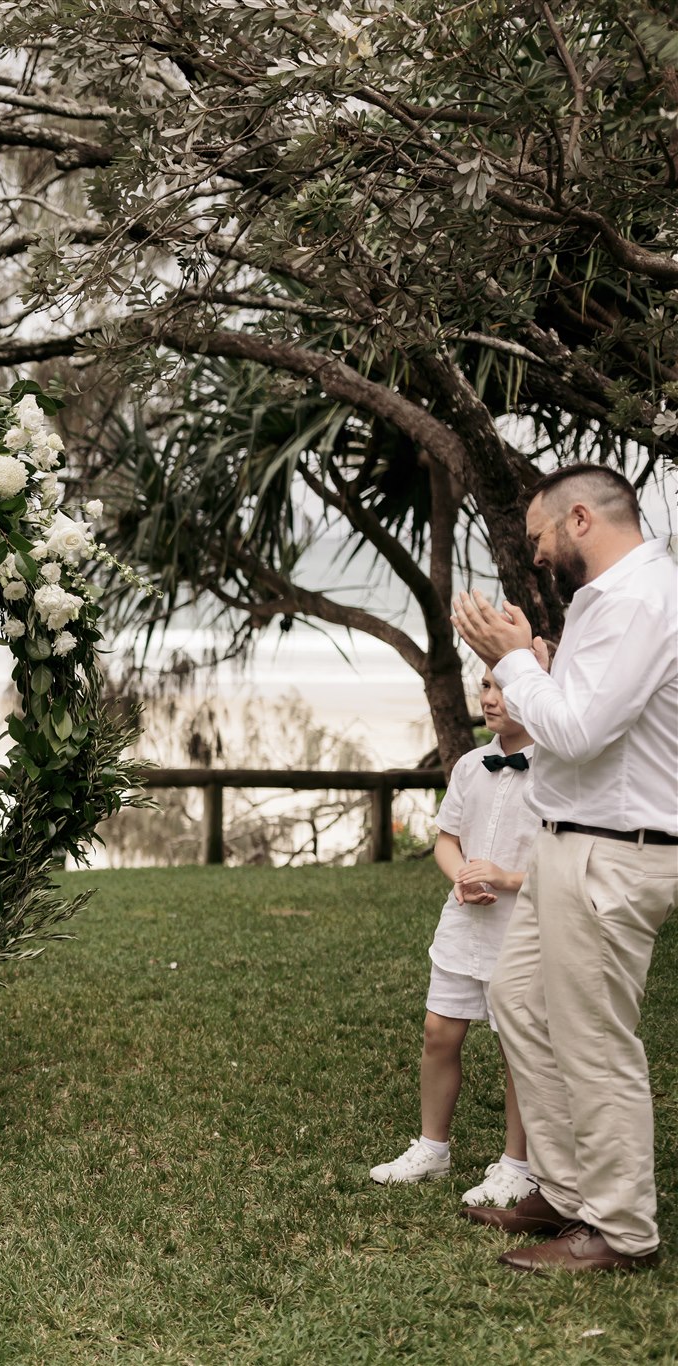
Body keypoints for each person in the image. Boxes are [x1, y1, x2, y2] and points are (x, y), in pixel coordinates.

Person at [452, 463, 678, 1273]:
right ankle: (567, 1189)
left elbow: (577, 732)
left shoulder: (643, 601)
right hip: (566, 838)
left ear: (580, 519)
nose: (538, 555)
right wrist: (524, 661)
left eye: (541, 536)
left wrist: (514, 664)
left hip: (613, 851)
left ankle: (621, 1231)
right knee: (517, 1000)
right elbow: (569, 726)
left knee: (594, 1041)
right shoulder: (604, 602)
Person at [369, 663, 537, 1207]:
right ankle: (432, 1149)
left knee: (519, 1049)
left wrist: (506, 878)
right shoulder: (470, 765)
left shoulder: (558, 769)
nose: (489, 698)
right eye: (486, 685)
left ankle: (519, 1166)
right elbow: (447, 841)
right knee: (439, 1032)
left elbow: (569, 861)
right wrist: (461, 878)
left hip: (524, 929)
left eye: (503, 688)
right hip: (465, 926)